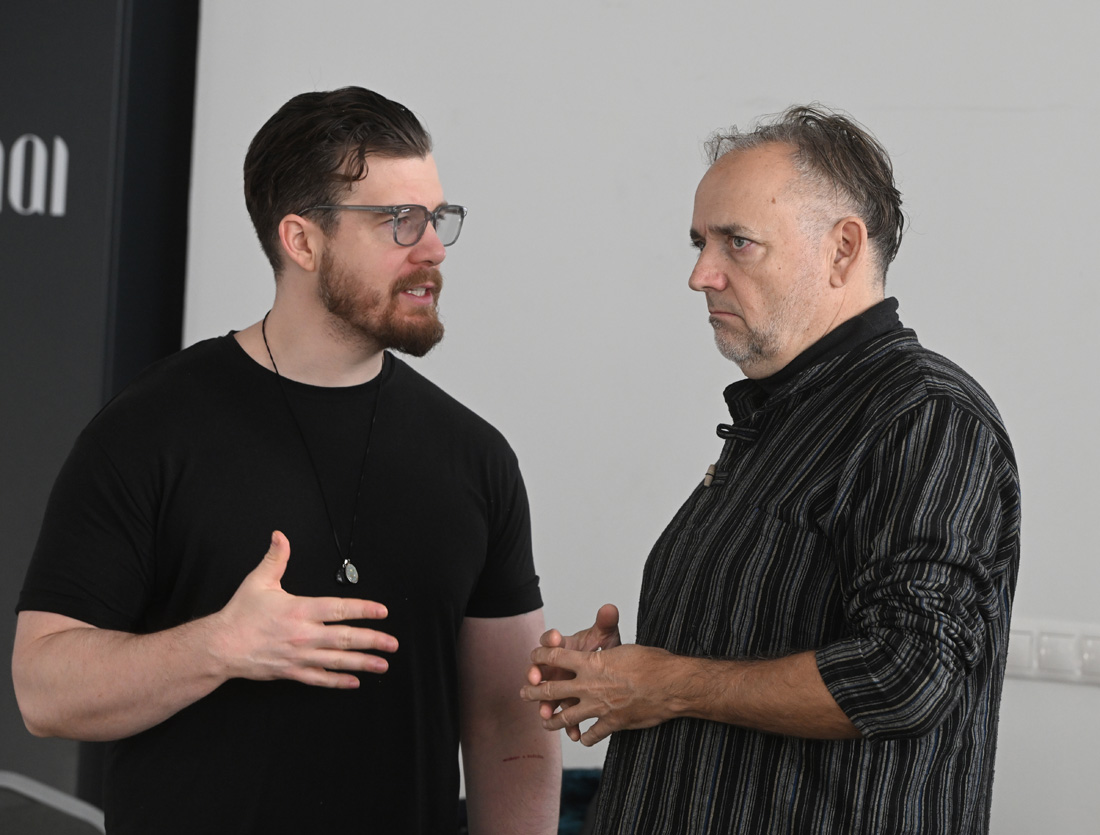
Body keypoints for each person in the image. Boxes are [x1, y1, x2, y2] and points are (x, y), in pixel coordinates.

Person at [13, 86, 560, 835]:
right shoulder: (148, 431)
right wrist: (218, 646)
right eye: (400, 221)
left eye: (438, 218)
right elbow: (43, 692)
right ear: (302, 242)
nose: (433, 248)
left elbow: (507, 725)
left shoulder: (476, 457)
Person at [522, 105, 1020, 834]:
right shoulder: (779, 418)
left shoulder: (925, 416)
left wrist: (670, 685)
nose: (700, 274)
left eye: (738, 242)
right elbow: (743, 653)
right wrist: (620, 677)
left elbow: (905, 674)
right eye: (699, 242)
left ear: (842, 249)